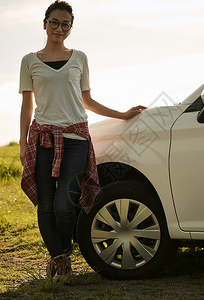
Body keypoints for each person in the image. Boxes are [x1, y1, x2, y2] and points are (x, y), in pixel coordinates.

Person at [18, 0, 145, 282]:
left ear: (70, 28)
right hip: (42, 139)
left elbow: (86, 100)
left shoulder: (80, 58)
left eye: (65, 24)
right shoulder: (29, 60)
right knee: (46, 204)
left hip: (75, 138)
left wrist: (122, 114)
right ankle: (59, 259)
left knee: (65, 203)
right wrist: (22, 144)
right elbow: (27, 106)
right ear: (44, 23)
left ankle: (62, 249)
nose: (59, 28)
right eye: (54, 22)